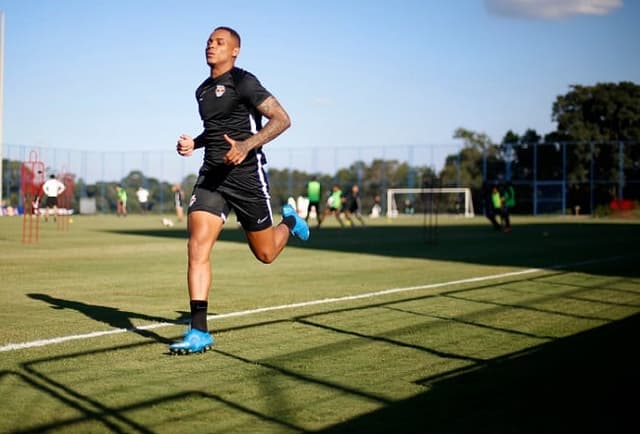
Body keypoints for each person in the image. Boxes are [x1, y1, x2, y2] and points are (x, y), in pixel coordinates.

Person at [172, 26, 309, 354]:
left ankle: (290, 223)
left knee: (265, 254)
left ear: (235, 51)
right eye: (209, 41)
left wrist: (247, 145)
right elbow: (215, 130)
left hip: (247, 177)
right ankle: (199, 330)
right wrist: (196, 142)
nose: (211, 46)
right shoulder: (202, 91)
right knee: (197, 247)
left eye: (219, 43)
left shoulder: (244, 81)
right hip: (212, 177)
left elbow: (282, 119)